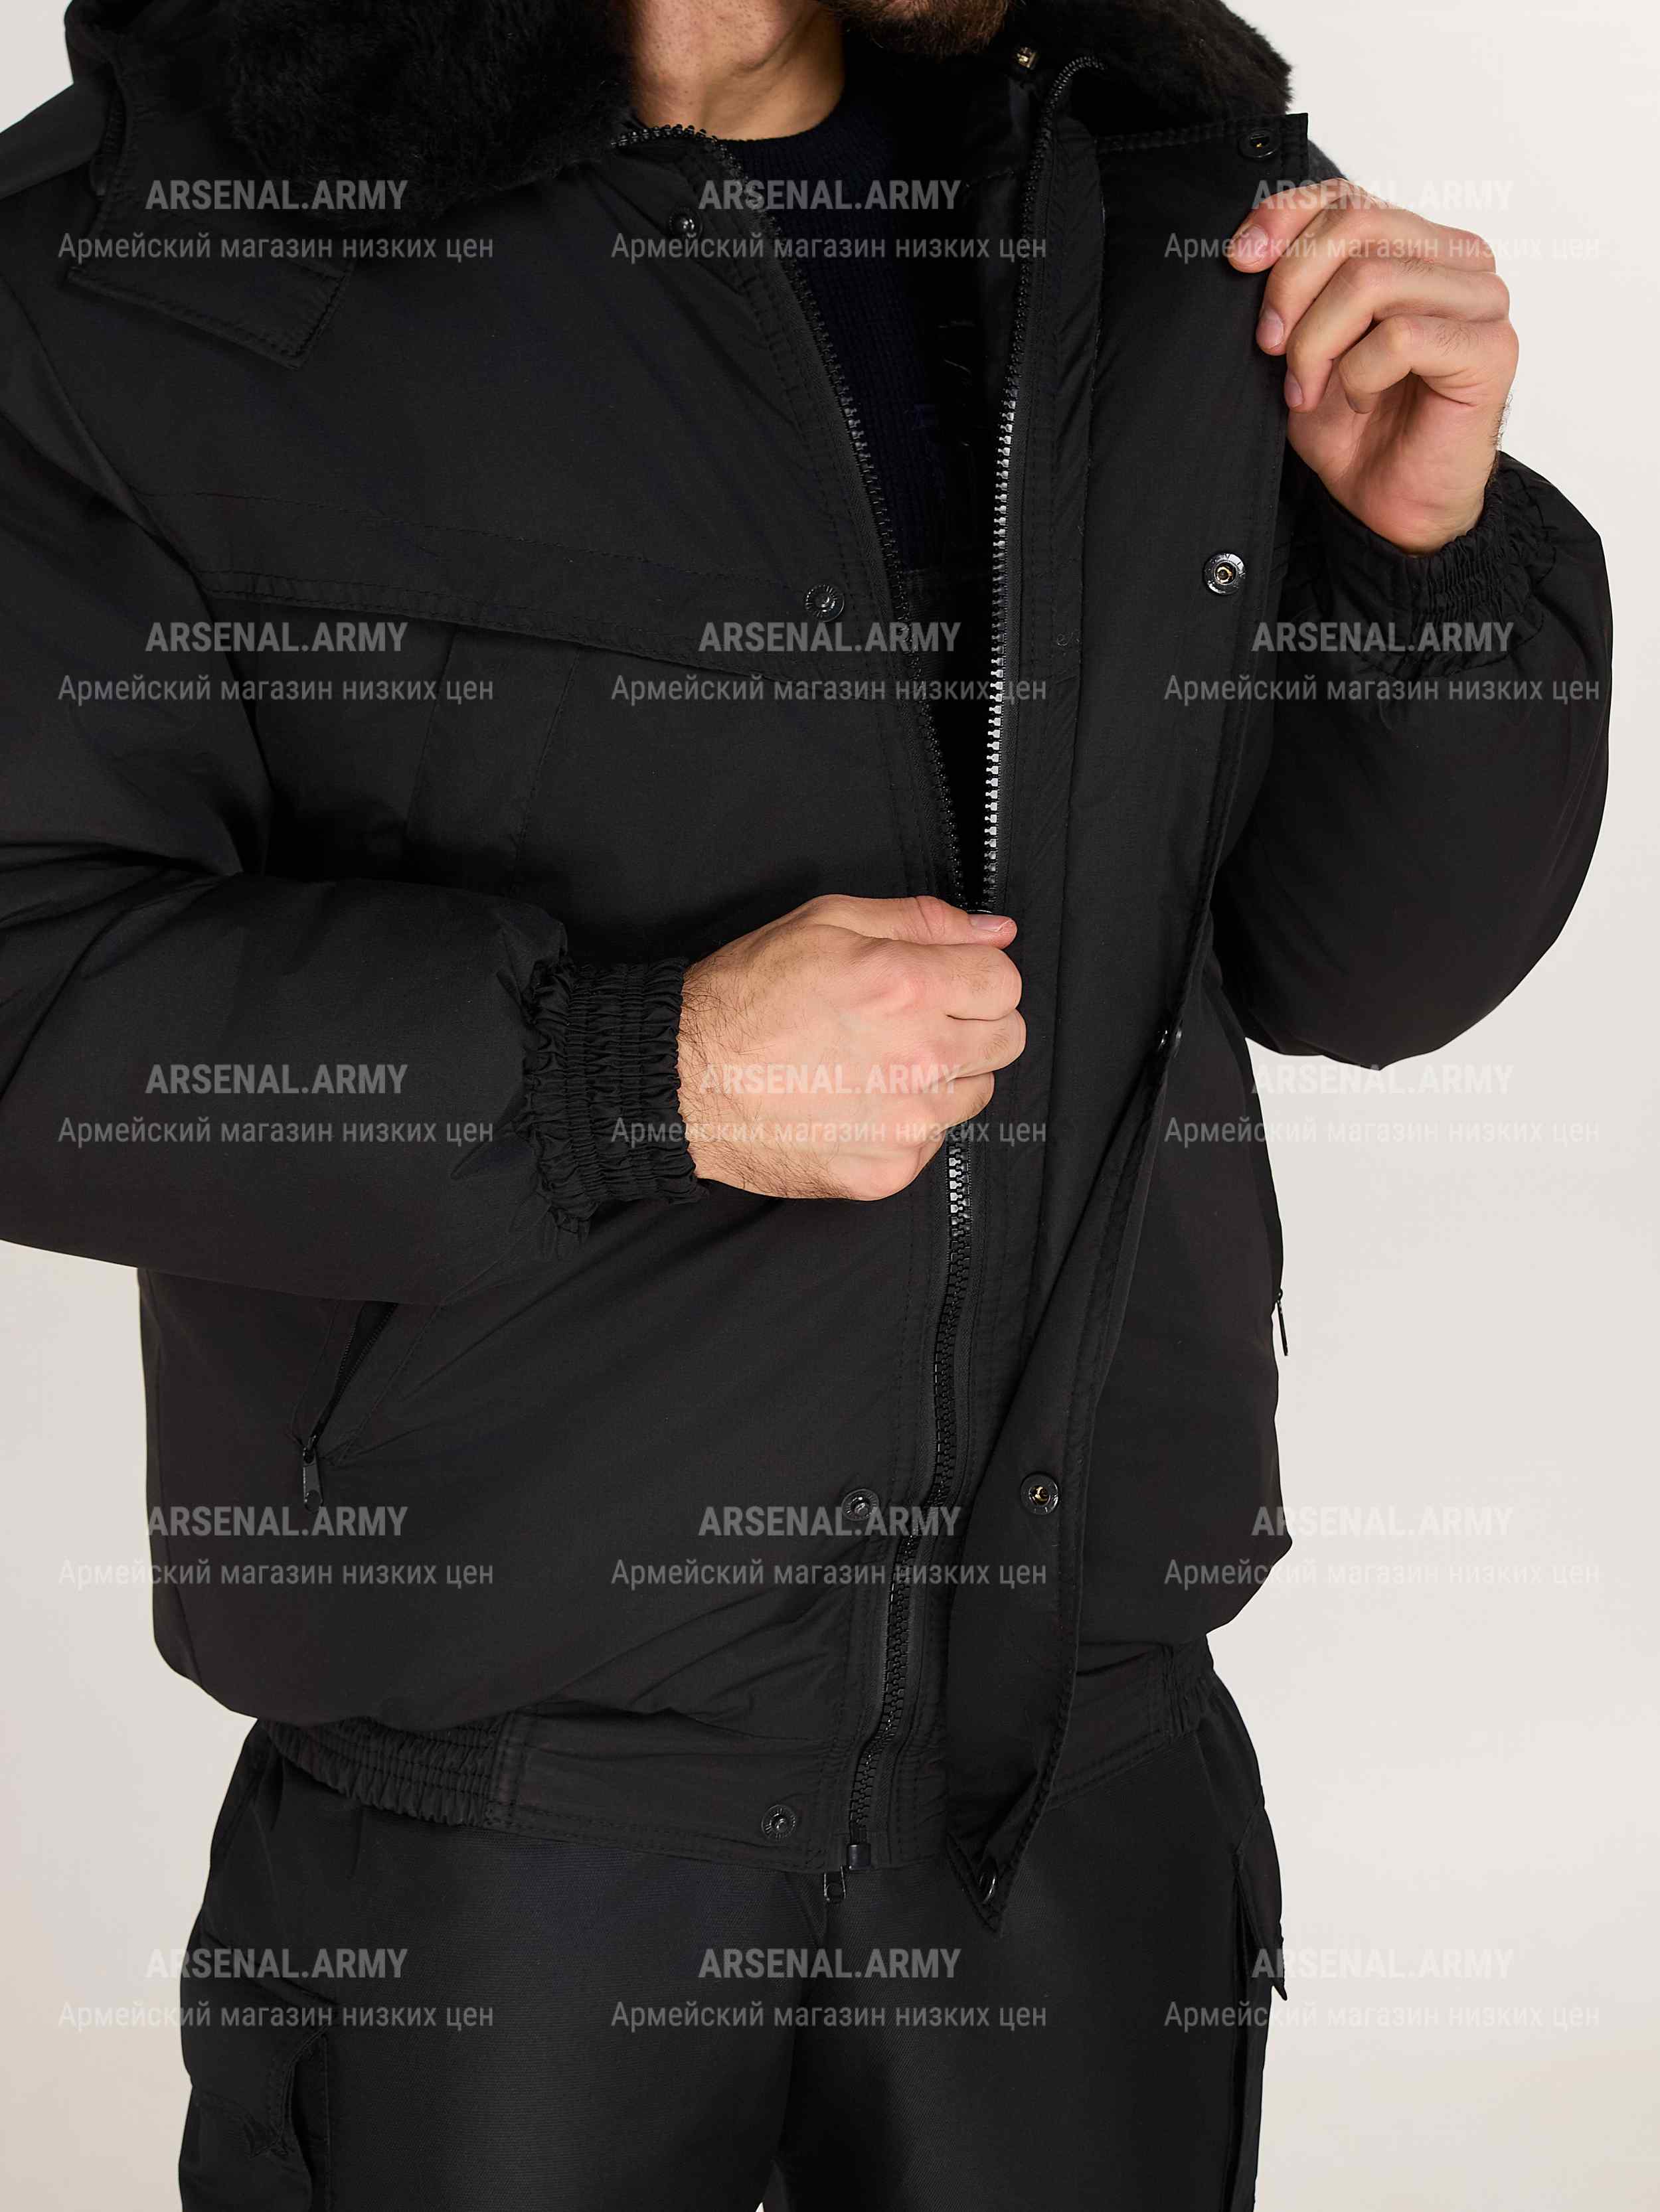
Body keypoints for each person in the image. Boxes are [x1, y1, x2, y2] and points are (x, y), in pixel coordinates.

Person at [0, 0, 1610, 2203]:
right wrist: (615, 1074)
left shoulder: (1146, 182)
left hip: (1074, 1783)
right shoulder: (158, 256)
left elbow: (1374, 970)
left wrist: (1418, 566)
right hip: (506, 1840)